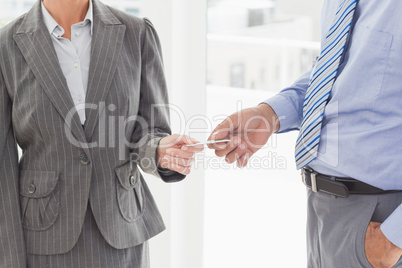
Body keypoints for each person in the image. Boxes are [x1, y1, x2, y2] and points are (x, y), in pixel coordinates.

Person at [0, 0, 203, 267]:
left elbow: (150, 131)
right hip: (42, 239)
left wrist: (159, 151)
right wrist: (10, 259)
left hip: (121, 233)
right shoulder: (6, 46)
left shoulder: (136, 32)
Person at [208, 1, 402, 267]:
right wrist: (269, 115)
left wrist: (392, 238)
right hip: (323, 210)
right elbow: (334, 74)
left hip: (381, 219)